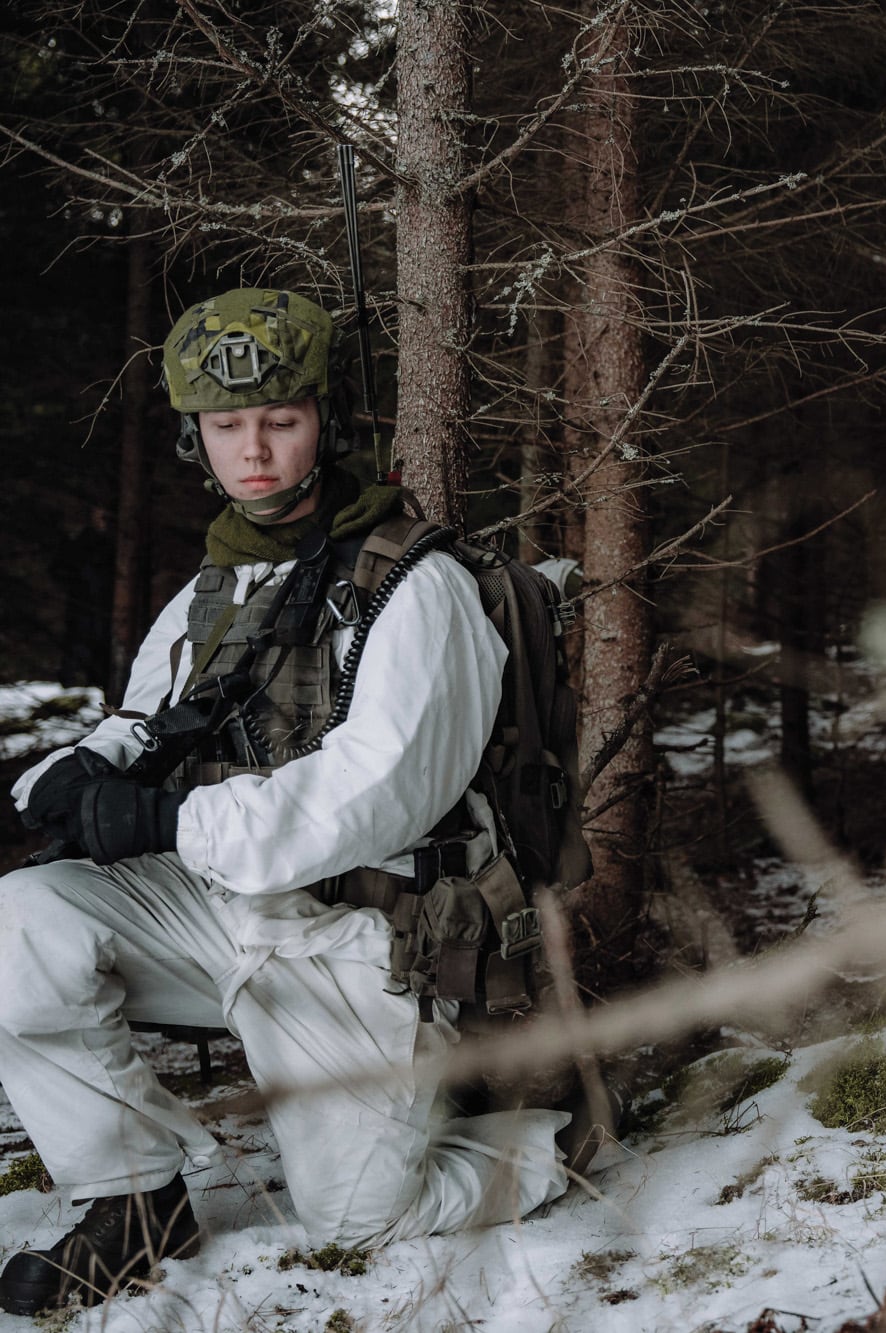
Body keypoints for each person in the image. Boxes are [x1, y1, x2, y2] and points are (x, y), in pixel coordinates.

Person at [0, 289, 576, 1315]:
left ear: (327, 423)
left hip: (363, 934)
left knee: (357, 1217)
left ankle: (552, 1136)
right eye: (227, 427)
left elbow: (378, 793)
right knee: (22, 920)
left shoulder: (418, 589)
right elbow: (152, 715)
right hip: (227, 913)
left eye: (280, 421)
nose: (254, 450)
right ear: (197, 437)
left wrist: (168, 821)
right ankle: (129, 1194)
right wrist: (77, 772)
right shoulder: (213, 590)